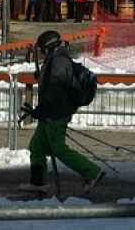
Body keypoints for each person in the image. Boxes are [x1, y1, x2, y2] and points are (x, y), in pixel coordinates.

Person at [17, 30, 103, 194]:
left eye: (42, 49)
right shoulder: (54, 60)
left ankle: (92, 172)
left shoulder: (59, 61)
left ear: (48, 47)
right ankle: (38, 182)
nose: (41, 53)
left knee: (58, 149)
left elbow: (56, 90)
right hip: (49, 112)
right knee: (37, 147)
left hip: (56, 113)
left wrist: (42, 109)